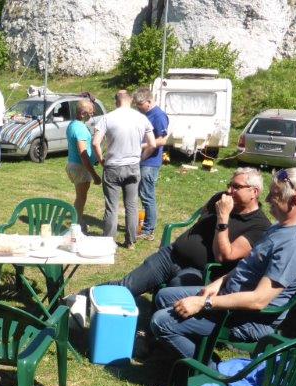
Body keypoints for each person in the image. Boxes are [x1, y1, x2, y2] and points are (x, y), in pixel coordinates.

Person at [150, 168, 296, 362]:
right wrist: (219, 282)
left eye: (274, 195)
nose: (267, 199)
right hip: (230, 298)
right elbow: (250, 264)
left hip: (246, 319)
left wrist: (204, 303)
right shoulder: (281, 227)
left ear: (294, 200)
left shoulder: (295, 245)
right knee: (163, 297)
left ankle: (213, 371)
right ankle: (189, 350)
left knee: (160, 321)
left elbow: (258, 300)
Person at [103, 168, 271, 297]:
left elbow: (224, 256)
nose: (229, 191)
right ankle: (90, 295)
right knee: (126, 286)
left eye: (236, 187)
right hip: (172, 254)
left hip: (200, 272)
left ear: (254, 192)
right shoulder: (221, 198)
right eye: (230, 185)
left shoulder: (260, 226)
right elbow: (202, 216)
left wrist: (223, 218)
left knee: (168, 296)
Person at [92, 90, 156, 249]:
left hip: (112, 166)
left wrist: (101, 160)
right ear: (131, 100)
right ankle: (130, 242)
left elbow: (95, 143)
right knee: (132, 206)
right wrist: (141, 158)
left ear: (116, 101)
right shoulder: (142, 118)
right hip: (133, 167)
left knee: (112, 207)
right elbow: (153, 144)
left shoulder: (107, 118)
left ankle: (108, 243)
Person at [133, 87, 169, 241]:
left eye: (140, 105)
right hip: (143, 160)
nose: (138, 108)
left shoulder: (159, 116)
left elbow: (163, 140)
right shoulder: (146, 114)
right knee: (142, 194)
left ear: (148, 101)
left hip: (150, 162)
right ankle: (143, 225)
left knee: (147, 195)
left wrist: (141, 145)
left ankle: (149, 230)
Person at [66, 99, 101, 232]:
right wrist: (94, 174)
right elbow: (83, 154)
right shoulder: (79, 128)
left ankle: (78, 221)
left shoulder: (73, 124)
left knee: (80, 197)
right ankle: (77, 224)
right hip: (80, 167)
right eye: (90, 113)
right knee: (81, 198)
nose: (92, 115)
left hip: (74, 165)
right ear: (82, 113)